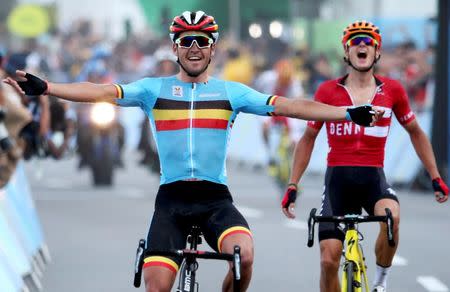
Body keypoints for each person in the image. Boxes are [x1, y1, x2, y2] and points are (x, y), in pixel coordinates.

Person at [4, 12, 381, 292]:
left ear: (213, 47)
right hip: (171, 202)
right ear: (175, 48)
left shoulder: (231, 93)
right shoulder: (154, 89)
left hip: (216, 200)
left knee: (244, 257)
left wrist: (346, 112)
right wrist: (48, 87)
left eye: (202, 40)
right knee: (157, 287)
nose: (195, 47)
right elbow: (100, 91)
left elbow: (290, 106)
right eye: (187, 41)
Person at [280, 20, 449, 292]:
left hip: (373, 181)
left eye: (368, 42)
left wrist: (435, 177)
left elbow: (416, 132)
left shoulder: (392, 91)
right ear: (346, 53)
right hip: (337, 183)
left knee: (392, 217)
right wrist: (292, 184)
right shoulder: (327, 91)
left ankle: (381, 281)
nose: (362, 45)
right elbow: (308, 138)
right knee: (328, 260)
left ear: (377, 52)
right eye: (355, 41)